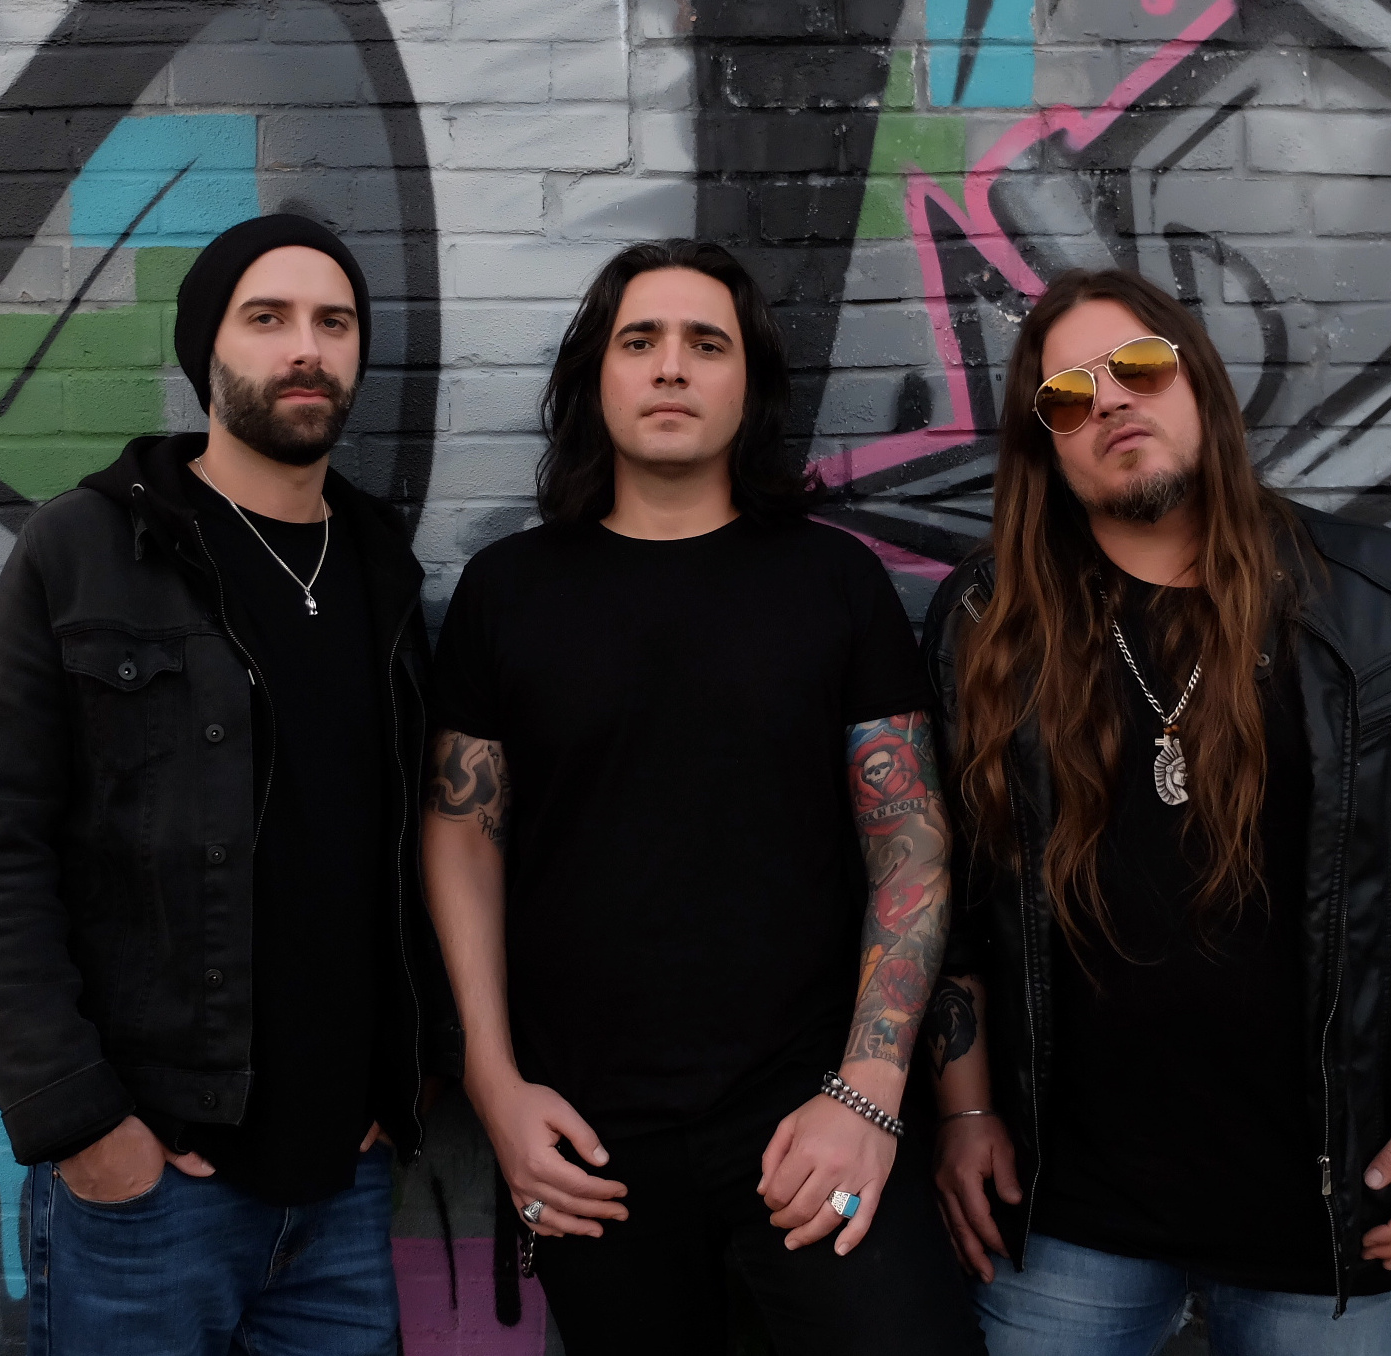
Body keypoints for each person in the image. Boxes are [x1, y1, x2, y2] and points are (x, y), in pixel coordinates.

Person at [920, 269, 1391, 1356]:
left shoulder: (1389, 604)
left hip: (1332, 1220)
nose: (1112, 401)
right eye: (1068, 394)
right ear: (1044, 446)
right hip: (1068, 1219)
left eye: (1140, 367)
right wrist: (966, 1112)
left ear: (1199, 382)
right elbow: (954, 881)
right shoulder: (987, 627)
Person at [422, 239, 986, 1356]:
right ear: (595, 376)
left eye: (706, 344)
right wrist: (492, 1082)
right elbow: (463, 841)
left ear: (749, 386)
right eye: (640, 341)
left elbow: (911, 851)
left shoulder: (833, 581)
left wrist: (869, 1093)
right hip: (593, 1150)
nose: (671, 366)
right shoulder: (508, 591)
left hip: (813, 1122)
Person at [0, 214, 455, 1354]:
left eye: (334, 322)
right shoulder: (85, 550)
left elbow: (409, 846)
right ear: (205, 349)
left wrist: (403, 1079)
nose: (305, 348)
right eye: (267, 318)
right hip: (153, 1189)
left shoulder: (382, 568)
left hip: (344, 1185)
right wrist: (86, 1128)